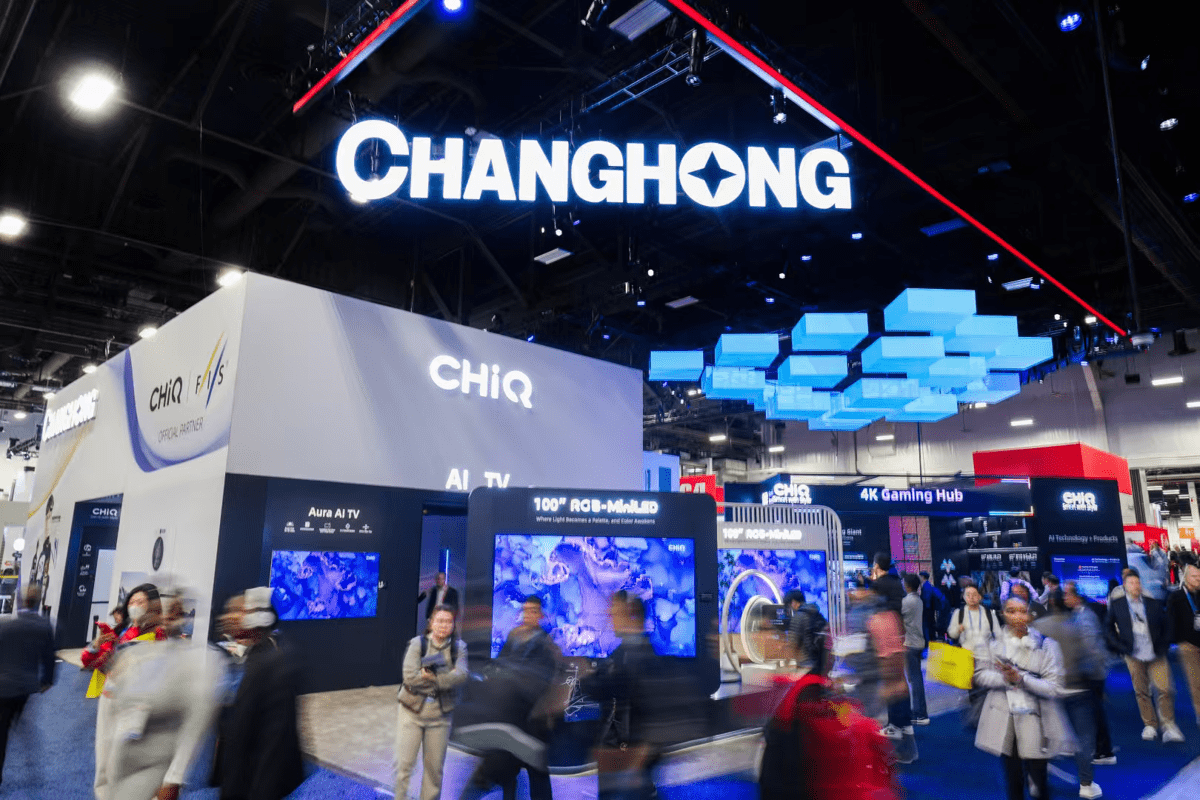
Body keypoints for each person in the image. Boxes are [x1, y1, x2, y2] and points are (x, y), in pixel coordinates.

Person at [102, 595, 221, 800]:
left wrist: (174, 777)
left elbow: (195, 725)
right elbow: (115, 707)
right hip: (124, 755)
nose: (167, 616)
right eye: (160, 611)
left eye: (176, 611)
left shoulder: (197, 662)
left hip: (156, 763)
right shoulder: (133, 652)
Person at [459, 595, 562, 800]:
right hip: (511, 717)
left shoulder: (547, 645)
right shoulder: (514, 636)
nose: (528, 614)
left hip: (534, 720)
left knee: (537, 775)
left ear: (541, 615)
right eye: (525, 610)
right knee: (507, 770)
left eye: (533, 611)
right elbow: (501, 663)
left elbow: (541, 681)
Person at [974, 595, 1072, 800]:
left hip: (1037, 721)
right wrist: (1005, 679)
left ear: (1029, 614)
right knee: (1013, 780)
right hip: (1005, 721)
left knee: (1039, 781)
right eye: (1011, 611)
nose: (1016, 616)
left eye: (1021, 611)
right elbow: (980, 675)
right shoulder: (992, 644)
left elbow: (1054, 688)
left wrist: (1021, 679)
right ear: (1003, 614)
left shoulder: (1046, 645)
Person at [218, 587, 305, 800]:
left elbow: (275, 740)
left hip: (259, 783)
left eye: (237, 611)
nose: (227, 617)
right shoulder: (253, 656)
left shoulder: (274, 662)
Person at [84, 583, 167, 800]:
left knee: (133, 760)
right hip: (111, 699)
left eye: (141, 602)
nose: (135, 606)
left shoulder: (159, 634)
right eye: (132, 601)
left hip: (139, 704)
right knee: (105, 755)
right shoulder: (122, 632)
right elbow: (91, 661)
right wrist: (98, 645)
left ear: (152, 605)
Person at [1034, 589, 1106, 799]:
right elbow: (1091, 655)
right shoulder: (1076, 625)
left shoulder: (1039, 627)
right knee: (1084, 738)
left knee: (1043, 738)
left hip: (1048, 690)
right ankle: (1086, 784)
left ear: (1050, 603)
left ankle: (1037, 781)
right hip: (1078, 688)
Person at [396, 605, 469, 800]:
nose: (444, 625)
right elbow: (410, 677)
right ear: (431, 623)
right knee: (404, 767)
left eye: (448, 621)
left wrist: (432, 676)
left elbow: (462, 676)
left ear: (453, 625)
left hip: (440, 717)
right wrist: (446, 677)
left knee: (434, 771)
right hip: (411, 713)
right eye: (440, 621)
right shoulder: (417, 644)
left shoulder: (459, 647)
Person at [1104, 568, 1183, 743]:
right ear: (1125, 586)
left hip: (1155, 652)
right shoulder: (1118, 605)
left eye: (1137, 582)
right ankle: (1150, 724)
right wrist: (1120, 646)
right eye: (1131, 583)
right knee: (1141, 691)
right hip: (1133, 654)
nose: (1135, 586)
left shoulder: (1151, 603)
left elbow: (1166, 624)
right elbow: (1108, 628)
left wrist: (1164, 645)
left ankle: (1168, 725)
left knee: (1165, 689)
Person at [842, 575, 915, 763]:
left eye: (863, 589)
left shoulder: (877, 616)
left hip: (874, 675)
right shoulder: (887, 614)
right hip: (870, 674)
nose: (856, 592)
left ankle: (878, 757)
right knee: (883, 717)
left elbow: (890, 651)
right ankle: (901, 751)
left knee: (871, 718)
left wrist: (891, 678)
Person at [0, 586, 56, 785]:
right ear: (39, 602)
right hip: (25, 688)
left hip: (3, 687)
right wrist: (47, 681)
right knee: (18, 722)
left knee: (2, 731)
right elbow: (49, 657)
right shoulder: (44, 627)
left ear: (21, 602)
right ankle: (33, 767)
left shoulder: (5, 625)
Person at [1062, 582, 1115, 766]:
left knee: (1095, 712)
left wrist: (1083, 669)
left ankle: (1104, 751)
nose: (1064, 598)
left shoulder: (1084, 616)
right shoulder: (1080, 614)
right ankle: (1100, 748)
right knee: (1093, 712)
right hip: (1091, 671)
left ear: (1075, 596)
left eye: (1067, 594)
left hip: (1091, 672)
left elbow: (1089, 646)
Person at [1167, 563, 1200, 726]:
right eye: (1194, 576)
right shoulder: (1177, 597)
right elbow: (1170, 620)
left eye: (1199, 576)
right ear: (1186, 578)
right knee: (1195, 682)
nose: (1198, 579)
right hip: (1188, 645)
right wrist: (1178, 640)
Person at [901, 575, 929, 725]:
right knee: (915, 678)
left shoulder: (907, 601)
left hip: (911, 643)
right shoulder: (918, 600)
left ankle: (920, 713)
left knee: (915, 679)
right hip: (918, 641)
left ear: (907, 585)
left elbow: (899, 616)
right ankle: (919, 711)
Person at [784, 589, 828, 671]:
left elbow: (792, 643)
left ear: (794, 602)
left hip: (805, 664)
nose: (790, 607)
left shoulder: (798, 617)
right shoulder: (817, 613)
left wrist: (786, 663)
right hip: (820, 661)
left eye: (789, 604)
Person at [918, 571, 947, 644]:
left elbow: (926, 599)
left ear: (923, 577)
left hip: (927, 610)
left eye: (920, 576)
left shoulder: (926, 586)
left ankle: (929, 642)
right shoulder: (928, 585)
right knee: (931, 626)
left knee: (927, 627)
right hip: (931, 609)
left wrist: (924, 609)